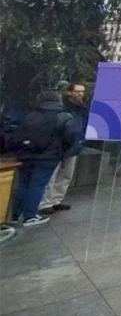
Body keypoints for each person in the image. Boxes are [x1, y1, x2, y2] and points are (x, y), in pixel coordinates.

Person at [9, 92, 80, 226]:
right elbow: (70, 136)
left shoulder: (31, 114)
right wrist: (62, 151)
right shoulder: (63, 116)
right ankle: (30, 216)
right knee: (38, 185)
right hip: (48, 157)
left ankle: (15, 215)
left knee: (23, 185)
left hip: (25, 154)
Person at [39, 82, 88, 215]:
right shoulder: (62, 107)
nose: (81, 94)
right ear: (69, 92)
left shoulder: (82, 108)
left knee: (66, 175)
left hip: (74, 145)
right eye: (78, 91)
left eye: (82, 92)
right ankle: (45, 203)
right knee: (52, 175)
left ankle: (56, 200)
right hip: (58, 145)